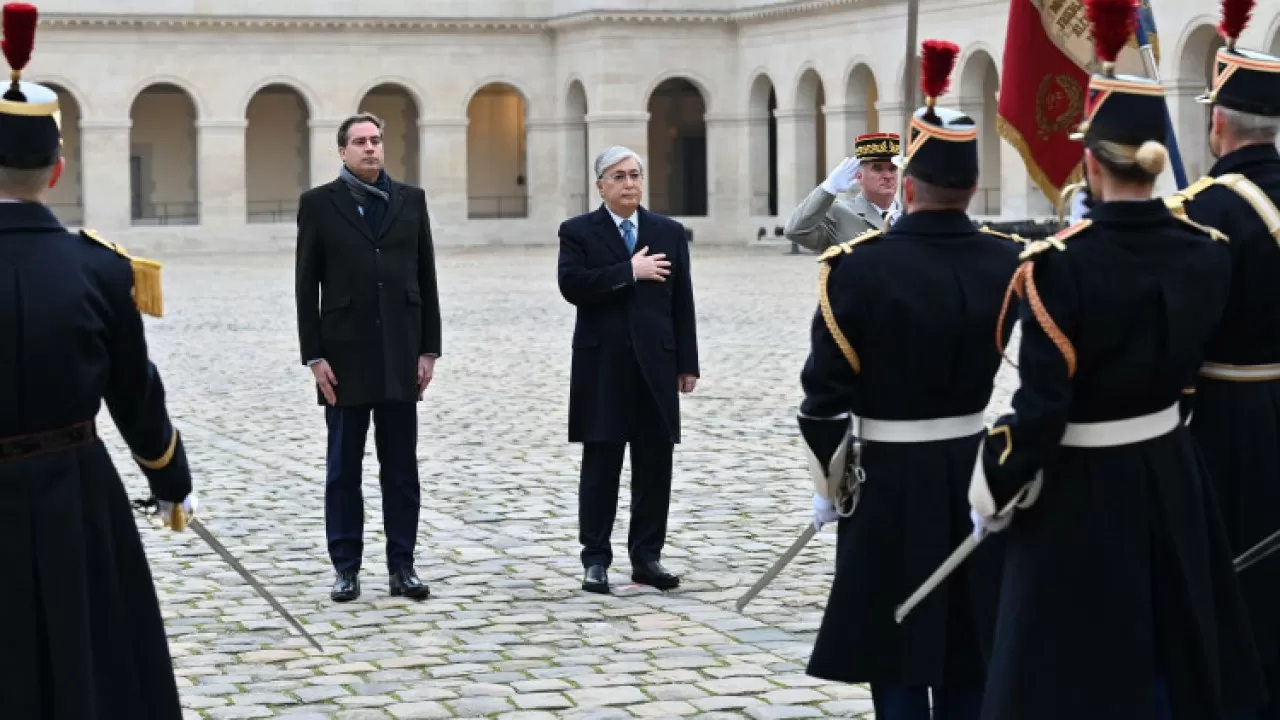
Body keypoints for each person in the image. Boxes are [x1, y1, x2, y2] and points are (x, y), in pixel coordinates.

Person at [967, 5, 1267, 717]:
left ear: (1092, 160)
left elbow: (1040, 409)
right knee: (1174, 626)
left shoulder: (1057, 267)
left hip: (1083, 481)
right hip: (1172, 466)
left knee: (1076, 650)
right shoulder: (1205, 250)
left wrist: (995, 486)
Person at [796, 40, 1021, 720]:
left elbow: (823, 402)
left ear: (911, 186)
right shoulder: (1008, 262)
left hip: (887, 480)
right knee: (967, 639)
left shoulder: (855, 268)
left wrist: (829, 488)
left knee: (894, 644)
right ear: (973, 188)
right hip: (973, 472)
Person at [0, 3, 195, 715]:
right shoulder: (102, 270)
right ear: (56, 169)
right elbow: (135, 395)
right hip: (73, 490)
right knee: (91, 659)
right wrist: (169, 477)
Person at [1166, 9, 1280, 718]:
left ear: (1220, 127)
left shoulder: (1204, 210)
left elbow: (1179, 344)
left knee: (1236, 581)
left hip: (1231, 421)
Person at [295, 112, 442, 603]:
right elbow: (305, 287)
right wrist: (314, 358)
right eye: (359, 142)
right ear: (342, 152)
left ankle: (403, 566)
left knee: (401, 468)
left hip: (401, 354)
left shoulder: (411, 201)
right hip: (344, 358)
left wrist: (429, 350)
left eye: (376, 140)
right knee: (343, 469)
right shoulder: (318, 205)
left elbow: (426, 278)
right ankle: (346, 567)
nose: (370, 148)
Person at [556, 145, 699, 595]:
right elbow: (572, 286)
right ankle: (595, 559)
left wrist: (687, 363)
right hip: (603, 365)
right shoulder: (578, 232)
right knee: (602, 464)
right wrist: (628, 270)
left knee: (655, 464)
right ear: (601, 185)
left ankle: (647, 557)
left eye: (635, 174)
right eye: (618, 176)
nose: (629, 183)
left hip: (657, 364)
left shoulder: (668, 231)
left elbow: (683, 301)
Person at [784, 133, 901, 252]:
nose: (888, 176)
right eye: (877, 169)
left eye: (893, 169)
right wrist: (829, 188)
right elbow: (795, 231)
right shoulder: (839, 214)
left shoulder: (911, 214)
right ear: (859, 176)